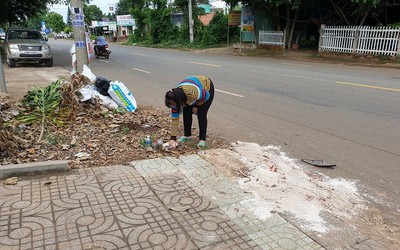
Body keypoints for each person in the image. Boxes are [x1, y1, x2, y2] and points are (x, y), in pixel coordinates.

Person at [164, 76, 214, 149]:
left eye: (173, 105)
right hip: (189, 94)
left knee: (201, 113)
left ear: (178, 101)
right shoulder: (176, 99)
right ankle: (187, 135)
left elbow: (206, 95)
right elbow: (174, 119)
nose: (173, 107)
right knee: (186, 112)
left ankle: (202, 139)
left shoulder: (192, 93)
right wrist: (173, 138)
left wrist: (197, 106)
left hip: (206, 88)